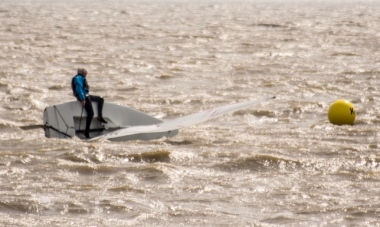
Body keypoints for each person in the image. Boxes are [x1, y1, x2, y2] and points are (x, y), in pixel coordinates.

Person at [72, 68, 107, 138]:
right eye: (86, 72)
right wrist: (82, 99)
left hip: (86, 96)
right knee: (91, 113)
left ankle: (100, 116)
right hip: (84, 97)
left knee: (100, 99)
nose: (86, 74)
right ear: (82, 72)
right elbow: (79, 89)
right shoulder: (78, 78)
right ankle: (86, 131)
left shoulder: (81, 77)